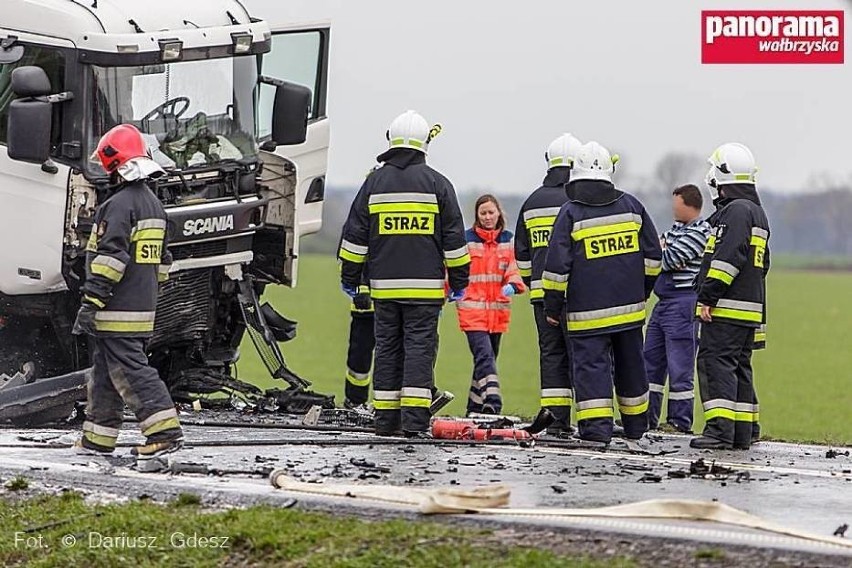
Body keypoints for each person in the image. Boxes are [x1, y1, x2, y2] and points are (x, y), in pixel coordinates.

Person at [338, 110, 470, 438]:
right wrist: (460, 282)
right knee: (419, 350)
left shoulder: (374, 183)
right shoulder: (439, 184)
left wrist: (351, 279)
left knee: (386, 349)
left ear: (390, 140)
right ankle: (414, 424)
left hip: (384, 289)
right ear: (425, 143)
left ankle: (385, 422)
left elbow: (355, 237)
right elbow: (454, 241)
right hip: (425, 291)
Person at [72, 123, 183, 464]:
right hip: (141, 306)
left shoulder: (118, 206)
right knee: (106, 370)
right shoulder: (154, 205)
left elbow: (110, 260)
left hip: (116, 308)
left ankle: (163, 433)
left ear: (115, 166)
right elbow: (162, 263)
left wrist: (91, 301)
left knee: (132, 371)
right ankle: (97, 439)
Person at [543, 141, 662, 444]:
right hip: (629, 312)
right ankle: (636, 428)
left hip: (586, 316)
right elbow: (653, 259)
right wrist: (642, 292)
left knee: (591, 371)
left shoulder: (570, 213)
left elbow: (557, 268)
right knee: (632, 368)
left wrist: (552, 307)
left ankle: (597, 432)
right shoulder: (633, 207)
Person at [691, 143, 770, 451]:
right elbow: (764, 265)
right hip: (749, 309)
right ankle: (744, 430)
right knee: (739, 366)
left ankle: (720, 431)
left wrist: (709, 297)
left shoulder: (734, 213)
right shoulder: (756, 213)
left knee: (716, 363)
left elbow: (726, 260)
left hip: (726, 307)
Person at [514, 133, 582, 435]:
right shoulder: (582, 200)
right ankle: (594, 422)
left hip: (542, 296)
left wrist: (536, 282)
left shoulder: (531, 203)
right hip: (581, 295)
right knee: (585, 357)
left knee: (552, 356)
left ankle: (556, 422)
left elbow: (522, 255)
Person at [643, 184, 711, 433]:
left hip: (683, 303)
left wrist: (663, 252)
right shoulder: (676, 230)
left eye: (676, 202)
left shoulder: (700, 232)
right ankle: (646, 417)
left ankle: (679, 422)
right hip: (663, 303)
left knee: (679, 366)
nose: (673, 206)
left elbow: (667, 259)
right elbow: (657, 253)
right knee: (650, 361)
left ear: (689, 204)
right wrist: (662, 251)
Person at [456, 195, 525, 415]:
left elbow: (514, 268)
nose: (487, 217)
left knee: (486, 362)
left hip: (498, 313)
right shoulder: (466, 241)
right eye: (483, 213)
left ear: (499, 213)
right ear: (477, 216)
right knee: (485, 357)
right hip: (472, 312)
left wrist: (513, 285)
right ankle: (493, 402)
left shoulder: (508, 240)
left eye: (490, 212)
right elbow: (454, 270)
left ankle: (474, 407)